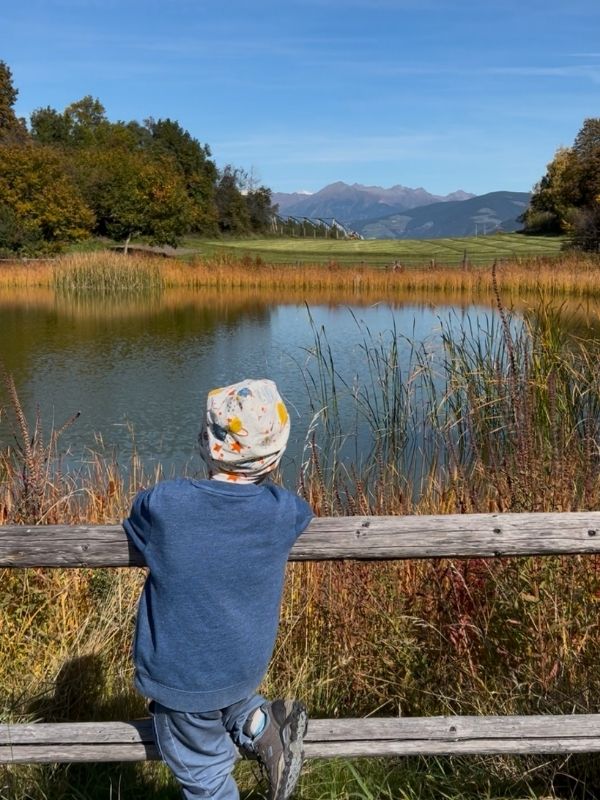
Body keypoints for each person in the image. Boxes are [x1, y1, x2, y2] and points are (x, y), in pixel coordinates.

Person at [123, 378, 314, 800]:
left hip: (183, 677)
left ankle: (256, 729)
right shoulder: (282, 511)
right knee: (229, 702)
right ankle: (262, 726)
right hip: (243, 664)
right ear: (275, 456)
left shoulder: (167, 505)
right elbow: (305, 514)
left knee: (205, 776)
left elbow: (136, 518)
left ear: (206, 443)